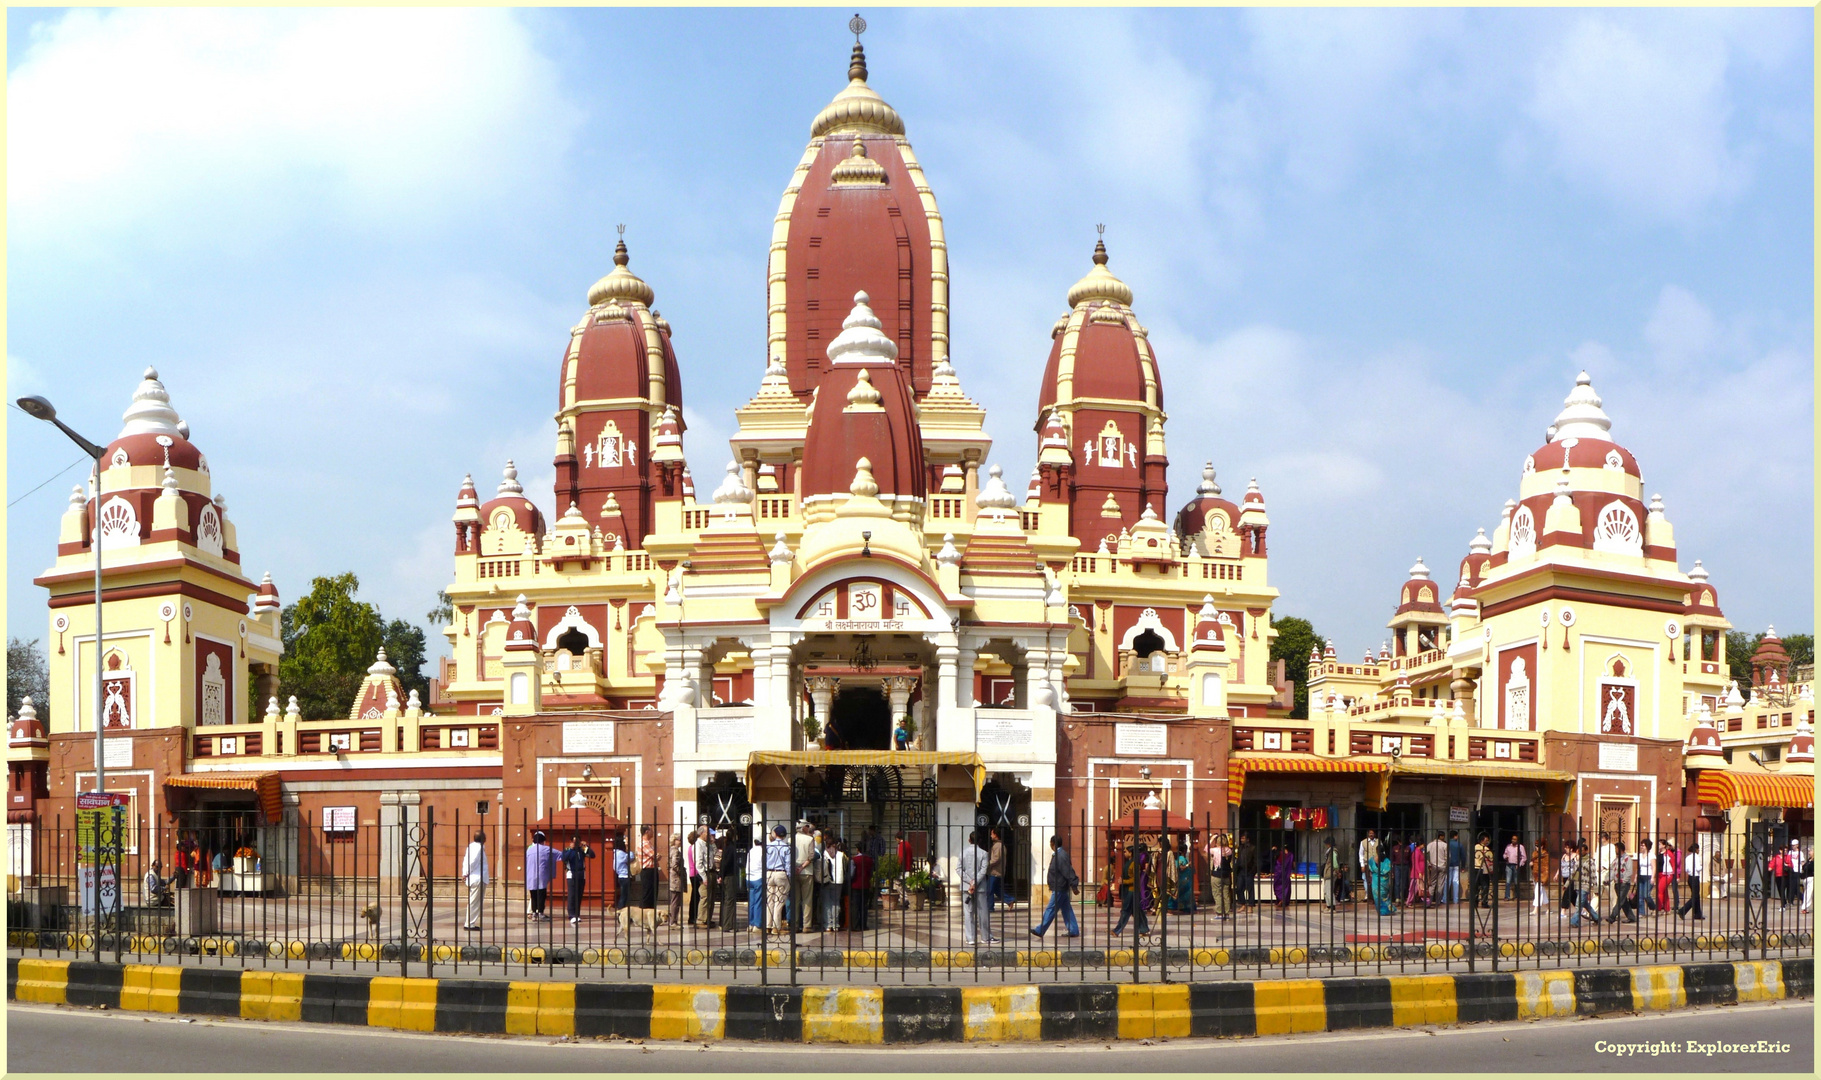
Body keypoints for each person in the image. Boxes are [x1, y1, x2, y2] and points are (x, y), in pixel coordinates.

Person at [1031, 834, 1081, 937]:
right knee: (1067, 909)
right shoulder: (1059, 855)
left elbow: (1068, 871)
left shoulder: (1061, 856)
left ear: (1052, 843)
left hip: (1060, 887)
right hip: (1060, 886)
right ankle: (1073, 930)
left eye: (1050, 843)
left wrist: (1074, 885)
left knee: (1051, 909)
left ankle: (1040, 930)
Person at [1111, 841, 1152, 941]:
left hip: (1132, 891)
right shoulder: (1129, 863)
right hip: (1129, 891)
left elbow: (1135, 879)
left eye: (1125, 852)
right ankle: (1144, 929)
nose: (1124, 853)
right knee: (1138, 911)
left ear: (1131, 853)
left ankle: (1117, 930)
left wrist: (1123, 881)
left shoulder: (1135, 864)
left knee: (1125, 911)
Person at [960, 828, 994, 946]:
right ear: (979, 841)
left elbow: (958, 869)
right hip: (980, 887)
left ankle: (970, 938)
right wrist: (975, 882)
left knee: (968, 912)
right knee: (983, 912)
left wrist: (969, 881)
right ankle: (985, 937)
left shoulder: (963, 852)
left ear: (969, 840)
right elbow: (983, 870)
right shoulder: (984, 853)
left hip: (966, 887)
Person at [764, 825, 792, 935]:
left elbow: (764, 860)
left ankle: (768, 925)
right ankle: (776, 927)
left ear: (775, 834)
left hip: (769, 873)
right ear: (784, 836)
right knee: (779, 902)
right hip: (781, 873)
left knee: (770, 900)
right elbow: (788, 864)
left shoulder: (768, 846)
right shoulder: (786, 847)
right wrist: (788, 877)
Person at [560, 835, 595, 925]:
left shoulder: (582, 850)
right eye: (574, 841)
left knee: (579, 895)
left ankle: (577, 914)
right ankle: (571, 915)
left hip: (581, 874)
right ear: (571, 842)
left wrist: (586, 846)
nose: (576, 843)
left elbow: (592, 855)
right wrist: (571, 849)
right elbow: (563, 858)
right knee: (572, 895)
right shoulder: (567, 850)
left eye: (577, 841)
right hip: (571, 874)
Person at [461, 829, 488, 931]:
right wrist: (466, 873)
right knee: (475, 902)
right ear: (483, 839)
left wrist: (465, 873)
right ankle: (469, 924)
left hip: (474, 878)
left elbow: (466, 860)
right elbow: (472, 862)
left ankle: (470, 922)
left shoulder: (471, 847)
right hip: (478, 878)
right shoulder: (479, 848)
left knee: (473, 901)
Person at [1569, 840, 1601, 927]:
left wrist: (1595, 888)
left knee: (1578, 904)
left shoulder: (1590, 861)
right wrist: (1566, 884)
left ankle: (1574, 922)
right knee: (1585, 904)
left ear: (1586, 851)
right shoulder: (1578, 861)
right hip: (1577, 885)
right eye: (1580, 850)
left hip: (1585, 885)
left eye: (1583, 850)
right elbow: (1573, 873)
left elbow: (1593, 875)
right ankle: (1596, 918)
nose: (1581, 852)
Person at [525, 830, 556, 922]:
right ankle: (538, 913)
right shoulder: (544, 849)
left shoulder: (529, 848)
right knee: (540, 895)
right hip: (540, 875)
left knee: (534, 895)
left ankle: (534, 913)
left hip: (531, 876)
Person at [792, 822, 817, 932]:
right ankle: (807, 925)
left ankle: (795, 924)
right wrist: (801, 867)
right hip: (806, 871)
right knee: (807, 899)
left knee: (796, 899)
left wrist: (796, 868)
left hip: (794, 871)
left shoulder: (790, 839)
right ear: (804, 828)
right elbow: (811, 856)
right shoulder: (809, 839)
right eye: (807, 827)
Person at [820, 838, 847, 933]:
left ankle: (828, 925)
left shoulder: (824, 853)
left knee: (827, 903)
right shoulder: (841, 855)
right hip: (839, 880)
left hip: (827, 880)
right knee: (836, 902)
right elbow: (845, 867)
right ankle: (836, 925)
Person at [1607, 840, 1638, 923]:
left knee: (1620, 901)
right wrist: (1608, 879)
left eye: (1616, 848)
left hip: (1624, 883)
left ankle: (1612, 916)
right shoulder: (1616, 860)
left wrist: (1624, 880)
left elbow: (1629, 871)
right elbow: (1612, 871)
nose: (1615, 850)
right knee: (1623, 902)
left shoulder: (1627, 859)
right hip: (1617, 883)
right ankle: (1631, 917)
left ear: (1620, 849)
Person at [636, 825, 659, 932]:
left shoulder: (648, 843)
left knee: (652, 894)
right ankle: (643, 917)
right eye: (651, 830)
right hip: (648, 870)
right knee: (647, 894)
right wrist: (657, 856)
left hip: (651, 870)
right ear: (646, 831)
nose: (653, 832)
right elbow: (655, 855)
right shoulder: (644, 843)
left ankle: (650, 916)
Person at [689, 826, 712, 927]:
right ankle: (701, 919)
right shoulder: (698, 845)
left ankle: (706, 918)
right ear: (702, 833)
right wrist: (704, 877)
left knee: (709, 897)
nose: (709, 834)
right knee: (704, 896)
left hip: (710, 872)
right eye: (707, 832)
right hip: (703, 873)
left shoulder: (706, 844)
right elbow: (698, 863)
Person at [849, 838, 874, 932]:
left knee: (855, 906)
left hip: (855, 885)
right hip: (866, 885)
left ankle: (855, 925)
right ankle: (864, 925)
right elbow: (871, 872)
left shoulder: (854, 860)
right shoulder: (870, 860)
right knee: (864, 906)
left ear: (858, 849)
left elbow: (851, 873)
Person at [1676, 842, 1705, 920]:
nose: (1699, 851)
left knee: (1696, 896)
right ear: (1696, 849)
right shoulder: (1696, 857)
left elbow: (1686, 869)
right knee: (1695, 897)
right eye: (1698, 849)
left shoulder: (1688, 857)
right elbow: (1698, 868)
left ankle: (1697, 913)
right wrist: (1702, 866)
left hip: (1690, 877)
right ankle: (1683, 910)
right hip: (1695, 877)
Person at [1207, 833, 1233, 919]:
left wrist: (1211, 839)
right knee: (1226, 894)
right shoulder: (1229, 850)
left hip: (1216, 874)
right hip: (1226, 875)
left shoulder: (1215, 850)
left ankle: (1219, 913)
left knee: (1217, 894)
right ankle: (1227, 912)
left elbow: (1206, 849)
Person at [612, 832, 633, 933]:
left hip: (621, 876)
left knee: (624, 896)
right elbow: (631, 857)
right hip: (625, 876)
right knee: (625, 897)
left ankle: (623, 915)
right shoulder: (620, 854)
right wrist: (629, 848)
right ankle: (621, 915)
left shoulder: (615, 853)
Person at [746, 836, 766, 932]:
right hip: (758, 877)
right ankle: (757, 925)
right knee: (759, 901)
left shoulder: (751, 850)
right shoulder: (762, 851)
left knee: (752, 901)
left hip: (749, 877)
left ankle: (750, 923)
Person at [667, 831, 688, 927]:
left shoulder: (671, 850)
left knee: (675, 900)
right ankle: (673, 921)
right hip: (676, 879)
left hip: (673, 878)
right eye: (679, 840)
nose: (680, 841)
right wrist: (680, 872)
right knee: (675, 901)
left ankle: (674, 920)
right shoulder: (675, 851)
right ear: (674, 841)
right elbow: (674, 864)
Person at [985, 829, 1008, 914]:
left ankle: (990, 907)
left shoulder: (998, 846)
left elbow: (996, 859)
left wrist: (987, 864)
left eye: (992, 834)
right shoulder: (997, 845)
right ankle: (1010, 900)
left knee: (989, 890)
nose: (991, 836)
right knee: (996, 890)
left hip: (995, 871)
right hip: (996, 871)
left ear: (996, 835)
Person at [1173, 835, 1195, 914]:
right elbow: (1180, 867)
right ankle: (1185, 907)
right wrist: (1188, 865)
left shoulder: (1179, 858)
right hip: (1184, 879)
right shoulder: (1181, 859)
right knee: (1185, 894)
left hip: (1183, 879)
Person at [1357, 828, 1379, 906]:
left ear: (1375, 834)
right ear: (1368, 834)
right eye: (1370, 833)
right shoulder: (1363, 842)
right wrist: (1362, 865)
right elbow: (1361, 854)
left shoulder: (1378, 842)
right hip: (1367, 864)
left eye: (1372, 833)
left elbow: (1382, 852)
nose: (1371, 834)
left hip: (1376, 864)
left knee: (1375, 879)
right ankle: (1368, 895)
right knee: (1366, 880)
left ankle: (1375, 896)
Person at [1558, 842, 1580, 920]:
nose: (1565, 849)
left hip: (1572, 878)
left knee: (1567, 893)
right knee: (1572, 895)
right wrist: (1557, 874)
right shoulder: (1564, 856)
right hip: (1565, 877)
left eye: (1567, 847)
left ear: (1571, 848)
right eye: (1565, 847)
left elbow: (1579, 867)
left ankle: (1563, 910)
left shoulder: (1576, 856)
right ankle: (1581, 908)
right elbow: (1561, 866)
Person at [1425, 831, 1448, 905]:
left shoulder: (1431, 844)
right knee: (1440, 884)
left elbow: (1424, 852)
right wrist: (1445, 863)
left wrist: (1428, 863)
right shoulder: (1445, 845)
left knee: (1432, 884)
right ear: (1441, 836)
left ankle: (1429, 902)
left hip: (1433, 866)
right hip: (1442, 866)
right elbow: (1448, 856)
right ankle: (1438, 901)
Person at [1471, 834, 1493, 909]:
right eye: (1486, 840)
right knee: (1485, 885)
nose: (1487, 842)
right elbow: (1491, 858)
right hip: (1482, 868)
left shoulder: (1475, 847)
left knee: (1476, 885)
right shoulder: (1486, 849)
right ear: (1482, 840)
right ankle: (1484, 902)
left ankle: (1475, 902)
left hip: (1476, 868)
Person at [1272, 844, 1295, 918]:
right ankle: (1283, 901)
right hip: (1286, 875)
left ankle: (1280, 900)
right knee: (1286, 888)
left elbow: (1274, 861)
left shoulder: (1279, 854)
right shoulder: (1290, 855)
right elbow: (1293, 865)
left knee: (1277, 887)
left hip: (1278, 874)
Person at [1236, 835, 1259, 908]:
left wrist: (1253, 871)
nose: (1241, 840)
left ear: (1247, 839)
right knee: (1239, 888)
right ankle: (1242, 904)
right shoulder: (1240, 848)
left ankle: (1251, 905)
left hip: (1249, 871)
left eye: (1243, 838)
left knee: (1250, 889)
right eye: (1241, 838)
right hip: (1241, 871)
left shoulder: (1253, 848)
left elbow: (1256, 861)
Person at [1658, 837, 1679, 914]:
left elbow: (1674, 865)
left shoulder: (1669, 854)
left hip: (1668, 874)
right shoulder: (1659, 853)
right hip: (1660, 874)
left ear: (1664, 845)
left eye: (1659, 844)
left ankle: (1658, 908)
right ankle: (1667, 909)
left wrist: (1676, 876)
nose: (1658, 845)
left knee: (1660, 890)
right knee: (1664, 891)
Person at [1502, 834, 1526, 901]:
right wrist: (1505, 857)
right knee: (1508, 881)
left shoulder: (1520, 847)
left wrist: (1520, 864)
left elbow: (1524, 857)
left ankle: (1517, 896)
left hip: (1516, 865)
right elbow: (1505, 854)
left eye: (1515, 839)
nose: (1513, 840)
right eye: (1512, 839)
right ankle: (1507, 896)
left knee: (1516, 881)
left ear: (1517, 840)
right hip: (1509, 865)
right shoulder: (1508, 846)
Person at [1319, 836, 1341, 910]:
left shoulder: (1333, 852)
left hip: (1331, 873)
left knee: (1329, 890)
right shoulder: (1329, 851)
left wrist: (1337, 872)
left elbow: (1335, 863)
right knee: (1326, 890)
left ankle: (1332, 907)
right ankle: (1328, 905)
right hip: (1328, 873)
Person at [1407, 834, 1428, 907]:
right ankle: (1409, 902)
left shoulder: (1420, 851)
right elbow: (1415, 863)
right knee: (1414, 889)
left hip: (1421, 873)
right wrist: (1419, 872)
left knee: (1422, 888)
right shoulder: (1416, 852)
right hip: (1417, 873)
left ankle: (1426, 902)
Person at [1371, 849, 1394, 917]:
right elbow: (1390, 870)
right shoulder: (1387, 860)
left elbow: (1368, 869)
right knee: (1384, 895)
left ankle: (1381, 910)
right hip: (1384, 880)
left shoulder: (1372, 860)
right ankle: (1385, 910)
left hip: (1375, 880)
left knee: (1377, 895)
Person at [1391, 832, 1411, 908]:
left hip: (1405, 866)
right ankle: (1397, 898)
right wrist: (1392, 870)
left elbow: (1410, 859)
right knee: (1397, 883)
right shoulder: (1395, 848)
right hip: (1397, 866)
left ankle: (1403, 897)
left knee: (1404, 883)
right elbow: (1392, 859)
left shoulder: (1408, 848)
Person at [1530, 842, 1551, 912]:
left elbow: (1547, 867)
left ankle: (1536, 909)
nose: (1536, 847)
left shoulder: (1546, 855)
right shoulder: (1534, 854)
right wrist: (1531, 865)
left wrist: (1545, 877)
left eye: (1538, 846)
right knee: (1542, 892)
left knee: (1537, 891)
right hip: (1536, 875)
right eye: (1535, 846)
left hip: (1542, 876)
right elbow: (1533, 864)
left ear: (1542, 846)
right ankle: (1548, 908)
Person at [1446, 831, 1465, 904]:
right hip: (1456, 865)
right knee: (1456, 881)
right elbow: (1463, 856)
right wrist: (1463, 866)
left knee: (1447, 881)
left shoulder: (1447, 844)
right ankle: (1455, 900)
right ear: (1455, 836)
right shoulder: (1459, 845)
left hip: (1448, 865)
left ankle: (1445, 899)